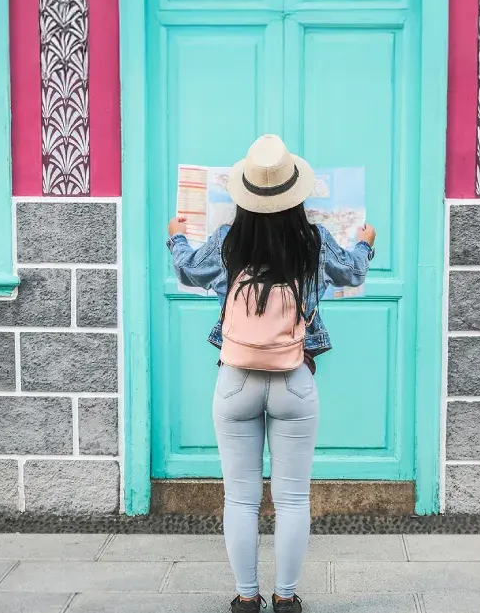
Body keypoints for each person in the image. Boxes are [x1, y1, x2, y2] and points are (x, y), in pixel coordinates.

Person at [166, 135, 376, 613]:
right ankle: (285, 598)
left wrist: (176, 234)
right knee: (293, 500)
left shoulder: (226, 242)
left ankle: (245, 598)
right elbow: (351, 274)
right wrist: (365, 244)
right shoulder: (313, 243)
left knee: (240, 499)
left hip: (235, 378)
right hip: (294, 380)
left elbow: (188, 270)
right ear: (295, 193)